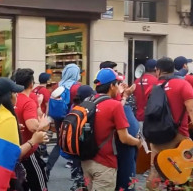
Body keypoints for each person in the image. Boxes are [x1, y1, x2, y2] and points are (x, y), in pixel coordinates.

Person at [81, 68, 141, 191]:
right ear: (112, 86)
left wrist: (123, 96)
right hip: (105, 164)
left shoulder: (87, 101)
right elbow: (124, 138)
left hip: (86, 161)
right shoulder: (114, 106)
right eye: (117, 84)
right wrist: (138, 142)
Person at [146, 57, 193, 190]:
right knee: (185, 172)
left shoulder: (152, 88)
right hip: (179, 137)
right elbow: (191, 109)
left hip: (157, 137)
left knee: (156, 170)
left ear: (158, 70)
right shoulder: (183, 85)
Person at [14, 68, 50, 191]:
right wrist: (45, 124)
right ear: (31, 84)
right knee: (39, 185)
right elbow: (32, 126)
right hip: (28, 153)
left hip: (13, 151)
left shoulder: (11, 99)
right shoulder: (28, 102)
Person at [47, 63, 81, 176]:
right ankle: (75, 172)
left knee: (59, 142)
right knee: (75, 143)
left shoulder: (58, 85)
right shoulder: (77, 87)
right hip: (73, 118)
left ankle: (48, 168)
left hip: (59, 117)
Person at [133, 59, 158, 124]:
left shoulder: (136, 81)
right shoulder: (156, 81)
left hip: (138, 118)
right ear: (156, 69)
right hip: (151, 119)